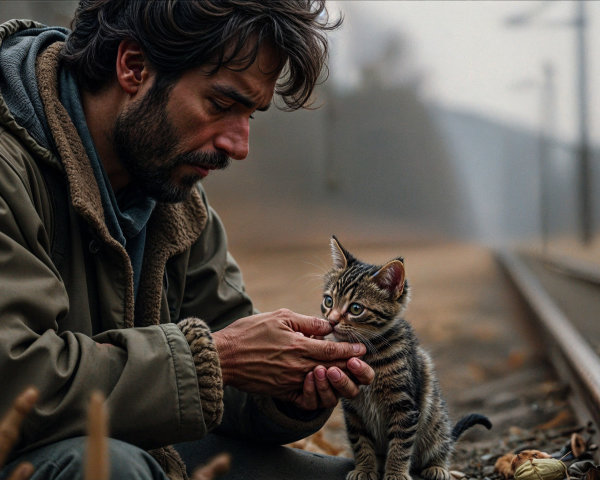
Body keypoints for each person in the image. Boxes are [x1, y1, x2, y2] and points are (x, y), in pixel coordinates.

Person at [0, 1, 375, 479]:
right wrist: (215, 360)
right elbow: (14, 386)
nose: (238, 146)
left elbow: (226, 356)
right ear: (133, 67)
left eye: (250, 116)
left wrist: (287, 386)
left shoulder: (173, 196)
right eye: (222, 105)